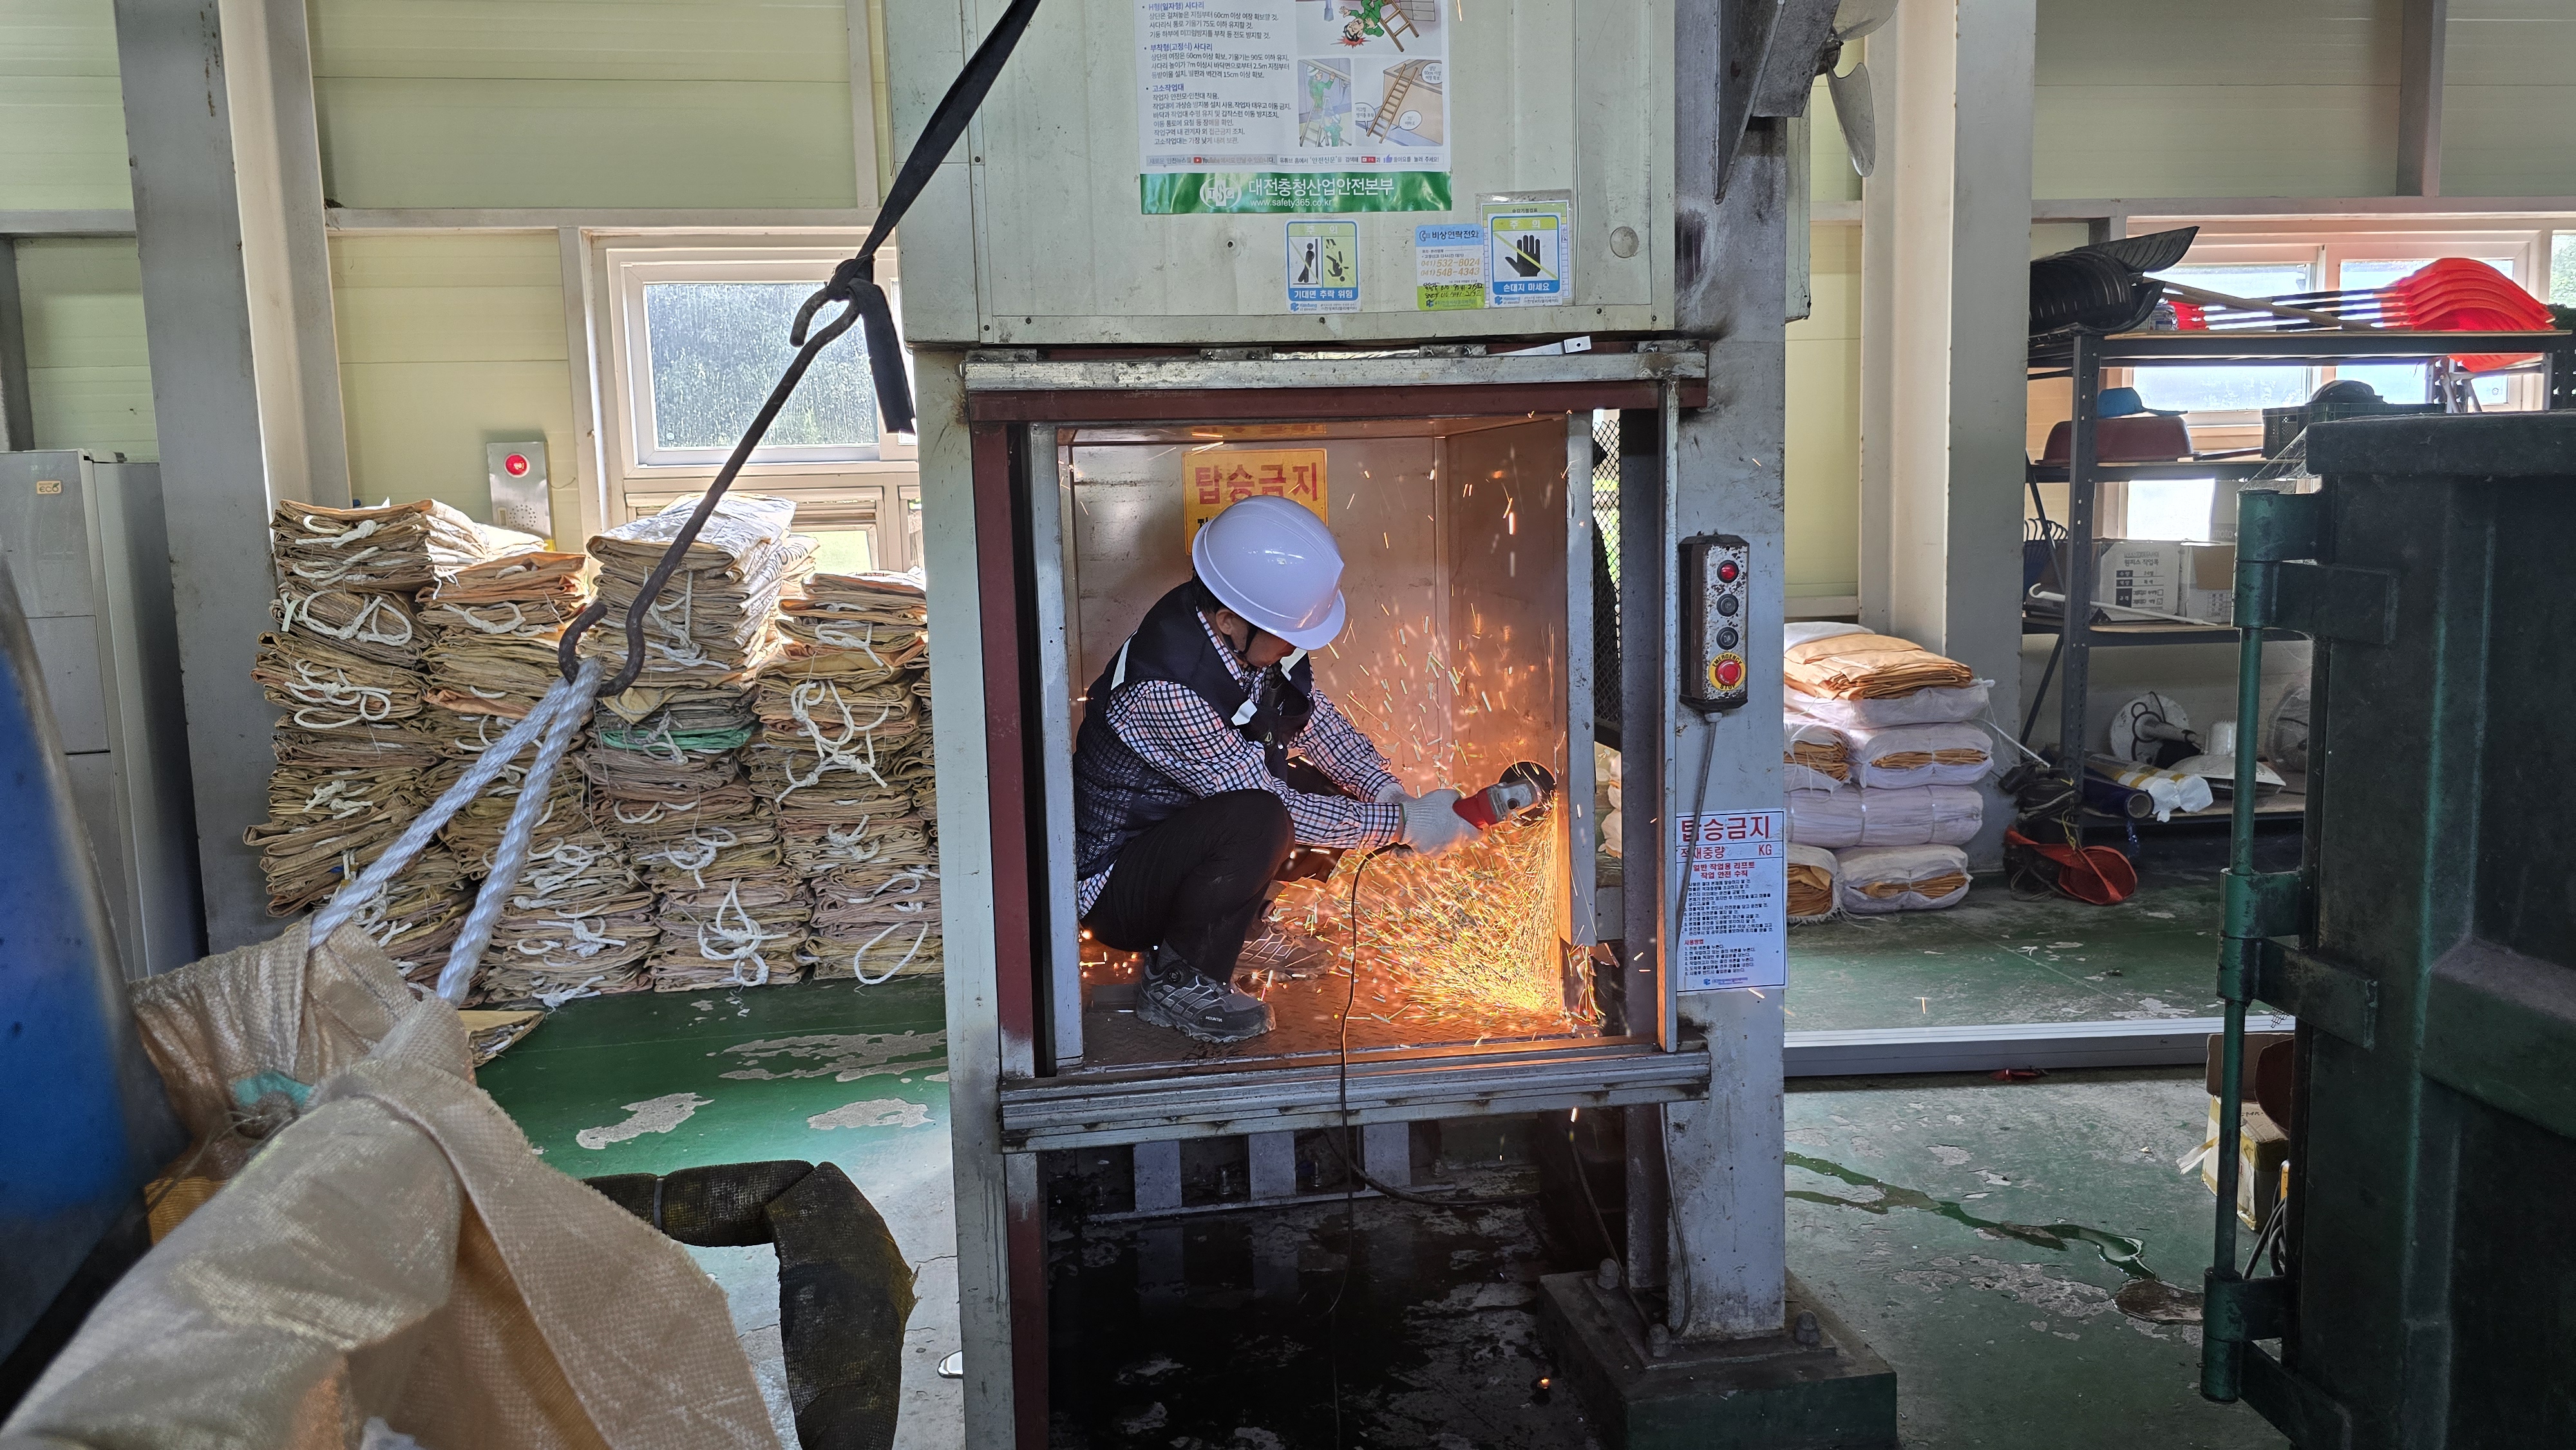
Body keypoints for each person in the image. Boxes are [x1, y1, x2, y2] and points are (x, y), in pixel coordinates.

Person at [1072, 495, 1479, 1044]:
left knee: (1321, 788)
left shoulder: (1243, 630)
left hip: (1174, 837)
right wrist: (1405, 827)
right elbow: (1279, 809)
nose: (1295, 648)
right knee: (1261, 819)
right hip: (1118, 885)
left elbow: (1315, 723)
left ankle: (1239, 930)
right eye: (1288, 637)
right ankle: (1178, 979)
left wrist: (1388, 794)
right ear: (1229, 621)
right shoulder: (1168, 687)